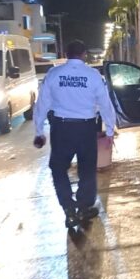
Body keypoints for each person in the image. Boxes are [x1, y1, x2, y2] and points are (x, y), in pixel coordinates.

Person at [33, 40, 117, 229]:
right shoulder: (93, 75)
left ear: (66, 53)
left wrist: (39, 130)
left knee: (58, 168)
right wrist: (110, 130)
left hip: (61, 128)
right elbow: (105, 103)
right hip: (86, 128)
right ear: (84, 54)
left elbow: (42, 104)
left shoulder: (54, 74)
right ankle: (84, 206)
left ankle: (68, 207)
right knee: (87, 169)